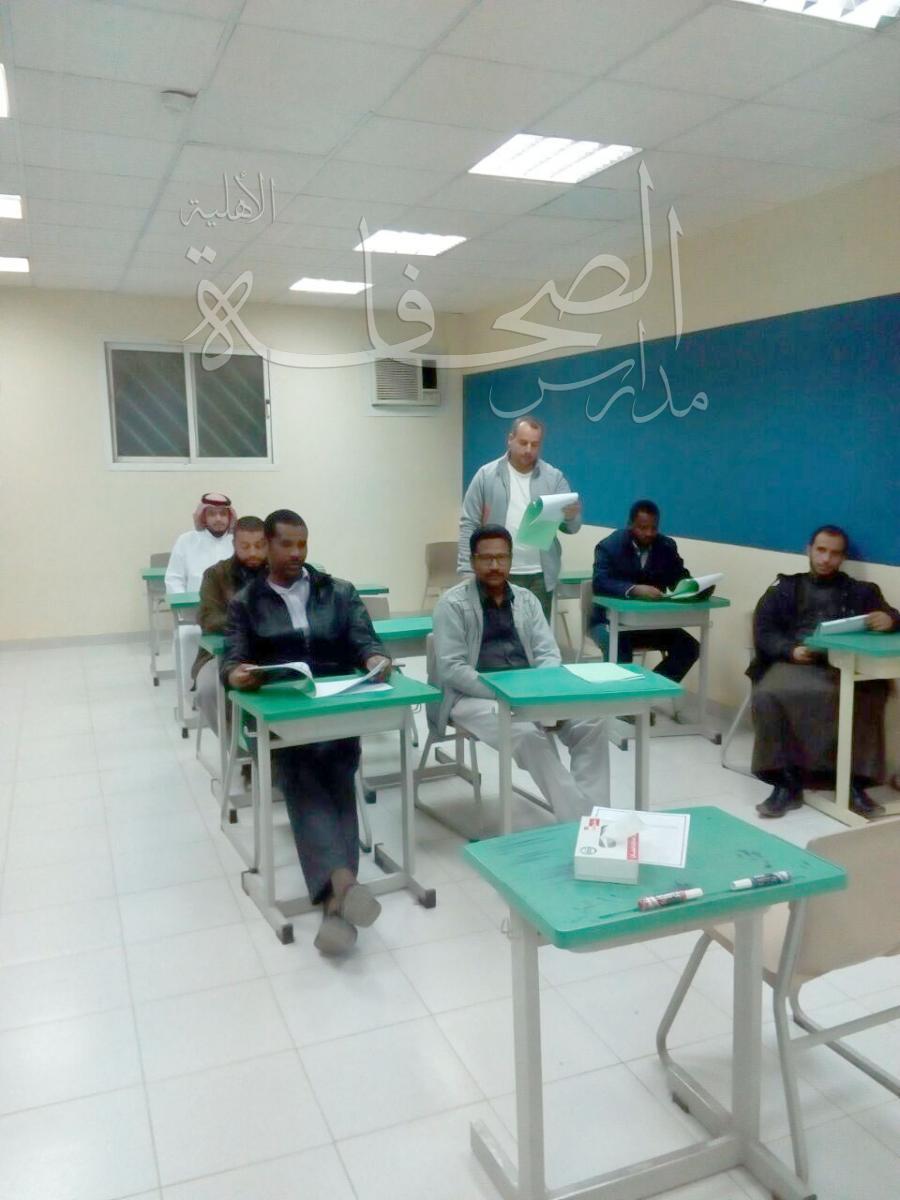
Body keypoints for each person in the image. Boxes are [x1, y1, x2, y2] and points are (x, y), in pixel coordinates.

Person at [223, 509, 391, 955]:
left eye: (302, 544)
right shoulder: (246, 603)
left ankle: (338, 897)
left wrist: (374, 659)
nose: (296, 553)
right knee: (302, 773)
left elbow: (365, 640)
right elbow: (231, 660)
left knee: (337, 770)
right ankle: (343, 884)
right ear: (268, 546)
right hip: (282, 717)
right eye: (286, 544)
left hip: (336, 709)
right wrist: (237, 674)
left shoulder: (339, 592)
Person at [434, 524, 609, 821]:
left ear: (511, 559)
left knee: (591, 722)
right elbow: (452, 668)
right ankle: (582, 821)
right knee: (527, 734)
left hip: (530, 692)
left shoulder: (526, 599)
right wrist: (508, 696)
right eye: (486, 558)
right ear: (473, 561)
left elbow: (548, 653)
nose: (494, 565)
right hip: (474, 697)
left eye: (502, 557)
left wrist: (541, 694)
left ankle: (596, 816)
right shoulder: (452, 604)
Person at [749, 524, 899, 819]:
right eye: (821, 550)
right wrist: (790, 650)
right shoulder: (784, 588)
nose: (826, 559)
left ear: (843, 557)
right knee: (770, 693)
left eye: (834, 553)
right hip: (795, 661)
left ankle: (854, 783)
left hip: (844, 665)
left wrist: (890, 619)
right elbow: (764, 630)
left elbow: (892, 615)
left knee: (869, 693)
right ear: (809, 550)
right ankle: (785, 781)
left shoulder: (862, 592)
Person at [457, 417, 581, 620]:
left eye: (535, 444)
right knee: (495, 630)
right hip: (496, 570)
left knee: (535, 634)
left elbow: (572, 528)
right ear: (510, 439)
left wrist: (571, 516)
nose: (528, 450)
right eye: (523, 443)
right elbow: (468, 523)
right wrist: (466, 569)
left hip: (539, 574)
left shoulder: (553, 477)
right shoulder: (486, 475)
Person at [591, 499, 699, 682]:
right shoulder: (610, 546)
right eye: (643, 528)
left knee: (689, 647)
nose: (649, 533)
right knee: (619, 646)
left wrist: (693, 586)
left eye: (653, 528)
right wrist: (634, 589)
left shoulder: (666, 547)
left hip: (650, 623)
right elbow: (600, 582)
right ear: (630, 525)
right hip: (608, 621)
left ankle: (650, 690)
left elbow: (678, 577)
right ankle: (623, 698)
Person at [192, 515, 267, 735]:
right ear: (234, 544)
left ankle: (279, 748)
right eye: (245, 546)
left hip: (270, 652)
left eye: (259, 546)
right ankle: (237, 750)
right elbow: (208, 618)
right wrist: (249, 622)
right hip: (222, 653)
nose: (253, 552)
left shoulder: (277, 573)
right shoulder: (216, 575)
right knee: (208, 690)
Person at [165, 493, 236, 711]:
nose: (218, 519)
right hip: (194, 618)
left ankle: (231, 700)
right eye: (212, 514)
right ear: (203, 516)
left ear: (230, 517)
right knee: (187, 636)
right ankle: (192, 698)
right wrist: (184, 605)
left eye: (223, 514)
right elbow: (173, 579)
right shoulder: (186, 541)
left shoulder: (238, 542)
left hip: (231, 618)